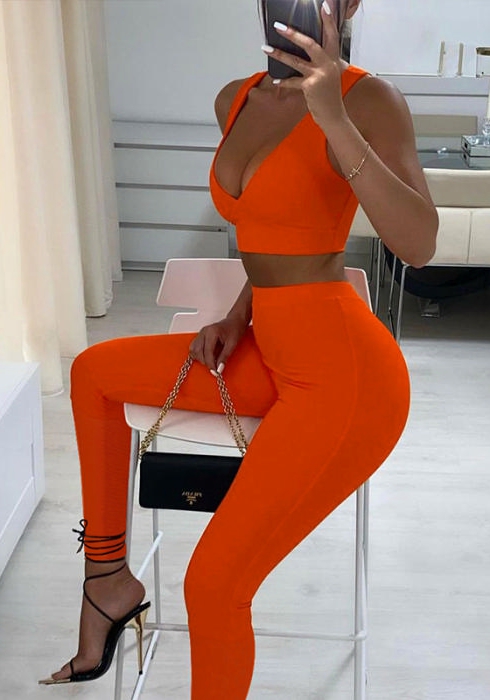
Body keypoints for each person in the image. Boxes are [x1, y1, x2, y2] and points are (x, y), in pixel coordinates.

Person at [40, 0, 438, 696]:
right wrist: (237, 311)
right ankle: (106, 579)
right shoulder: (236, 99)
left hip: (346, 378)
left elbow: (419, 243)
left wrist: (334, 120)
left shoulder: (370, 100)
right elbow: (275, 224)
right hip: (266, 349)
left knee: (214, 583)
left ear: (348, 5)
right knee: (93, 371)